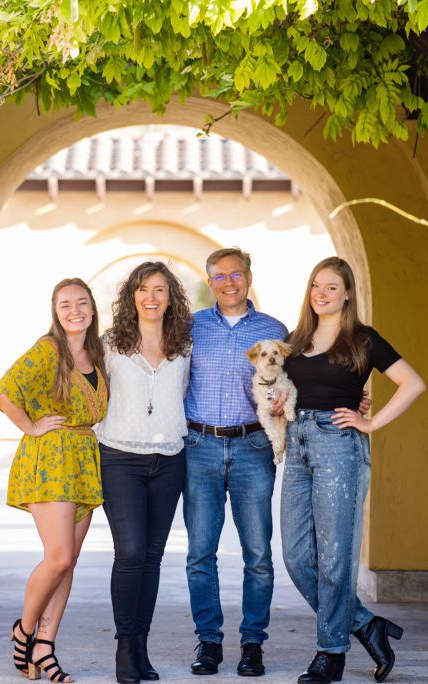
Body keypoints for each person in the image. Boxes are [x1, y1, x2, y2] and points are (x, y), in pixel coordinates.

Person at [280, 257, 425, 684]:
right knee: (296, 556)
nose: (321, 293)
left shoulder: (363, 339)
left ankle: (331, 653)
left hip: (338, 446)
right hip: (298, 443)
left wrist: (371, 422)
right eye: (316, 285)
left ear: (347, 294)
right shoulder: (296, 339)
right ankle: (365, 623)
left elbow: (413, 383)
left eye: (331, 287)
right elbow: (286, 389)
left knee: (335, 557)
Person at [0, 277, 109, 684]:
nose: (74, 310)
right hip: (50, 459)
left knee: (69, 561)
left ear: (92, 309)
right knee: (58, 557)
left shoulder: (97, 354)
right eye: (65, 304)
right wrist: (31, 427)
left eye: (82, 302)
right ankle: (24, 631)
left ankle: (45, 645)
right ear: (55, 312)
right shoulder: (49, 350)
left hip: (82, 460)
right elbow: (6, 391)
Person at [183, 247, 287, 677]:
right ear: (210, 282)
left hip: (252, 448)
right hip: (199, 446)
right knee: (200, 553)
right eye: (220, 276)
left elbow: (297, 381)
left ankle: (252, 643)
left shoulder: (274, 330)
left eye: (236, 274)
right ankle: (209, 642)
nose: (229, 282)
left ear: (248, 277)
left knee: (258, 553)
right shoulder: (190, 327)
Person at [95, 261, 192, 684]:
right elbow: (84, 388)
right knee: (131, 552)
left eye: (159, 290)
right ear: (131, 296)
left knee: (152, 556)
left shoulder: (184, 345)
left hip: (169, 459)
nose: (151, 298)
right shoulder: (110, 344)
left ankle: (141, 647)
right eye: (143, 290)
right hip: (120, 458)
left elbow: (190, 393)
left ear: (171, 298)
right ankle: (123, 646)